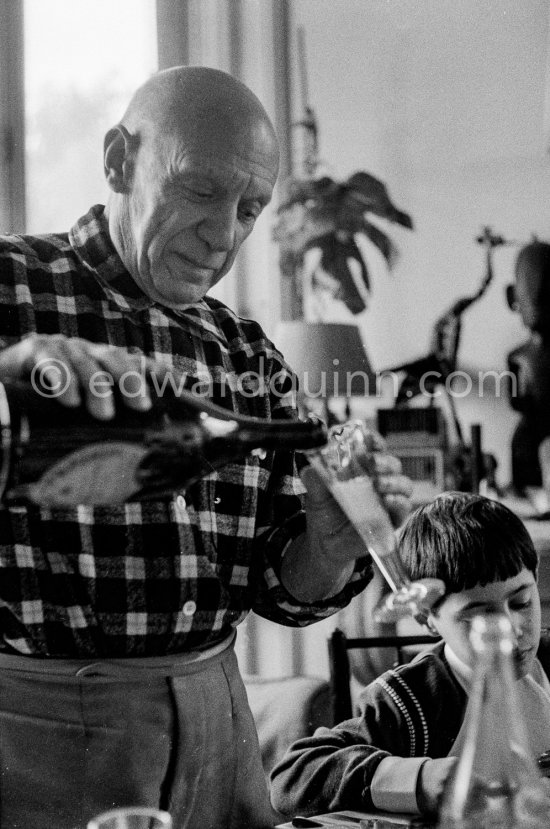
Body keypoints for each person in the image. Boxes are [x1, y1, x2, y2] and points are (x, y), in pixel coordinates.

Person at [0, 66, 412, 829]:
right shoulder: (12, 290)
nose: (224, 235)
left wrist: (330, 544)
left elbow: (281, 586)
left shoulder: (247, 351)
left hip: (221, 724)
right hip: (43, 737)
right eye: (199, 190)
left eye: (250, 208)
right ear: (121, 159)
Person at [270, 491, 550, 819]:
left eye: (521, 603)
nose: (511, 627)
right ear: (425, 616)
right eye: (480, 617)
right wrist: (422, 780)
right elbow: (292, 777)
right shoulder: (411, 699)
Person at [506, 240, 550, 493]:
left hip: (534, 420)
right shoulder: (517, 356)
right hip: (532, 422)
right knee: (522, 442)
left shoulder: (518, 356)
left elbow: (515, 400)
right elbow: (515, 400)